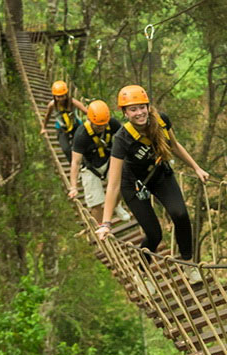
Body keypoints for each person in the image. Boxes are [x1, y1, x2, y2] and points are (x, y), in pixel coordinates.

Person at [96, 85, 210, 288]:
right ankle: (142, 274)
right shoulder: (121, 139)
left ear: (148, 107)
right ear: (124, 112)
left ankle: (188, 264)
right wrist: (106, 223)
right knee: (154, 234)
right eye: (133, 109)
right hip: (133, 185)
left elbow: (174, 146)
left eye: (142, 107)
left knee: (181, 214)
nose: (139, 113)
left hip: (159, 174)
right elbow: (113, 185)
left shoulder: (161, 120)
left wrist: (196, 168)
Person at [67, 99, 131, 224]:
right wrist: (74, 186)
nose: (102, 127)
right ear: (90, 120)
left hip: (108, 161)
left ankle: (116, 205)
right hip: (90, 167)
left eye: (104, 124)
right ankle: (100, 228)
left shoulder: (111, 123)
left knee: (122, 185)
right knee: (96, 202)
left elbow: (125, 137)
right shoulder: (81, 135)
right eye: (98, 125)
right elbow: (75, 162)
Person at [40, 80, 87, 163]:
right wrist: (44, 128)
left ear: (66, 94)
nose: (60, 99)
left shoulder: (72, 102)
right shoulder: (52, 105)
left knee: (82, 143)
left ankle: (86, 162)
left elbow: (85, 110)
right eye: (58, 97)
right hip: (61, 127)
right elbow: (47, 116)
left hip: (75, 125)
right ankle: (74, 164)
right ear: (54, 96)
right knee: (66, 149)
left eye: (62, 96)